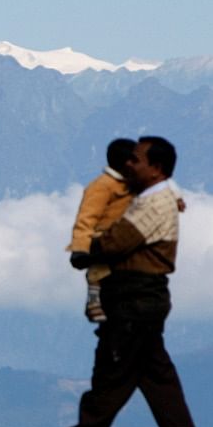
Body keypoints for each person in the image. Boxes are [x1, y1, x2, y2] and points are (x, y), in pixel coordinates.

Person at [34, 136, 213, 427]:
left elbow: (118, 242)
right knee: (160, 385)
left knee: (110, 380)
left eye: (136, 159)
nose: (128, 164)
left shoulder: (154, 204)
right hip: (142, 303)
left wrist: (88, 248)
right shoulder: (154, 198)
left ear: (156, 168)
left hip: (135, 304)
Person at [68, 138, 137, 323]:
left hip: (127, 242)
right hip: (104, 239)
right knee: (99, 270)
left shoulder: (133, 186)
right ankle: (94, 299)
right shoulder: (102, 186)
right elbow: (86, 218)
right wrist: (80, 248)